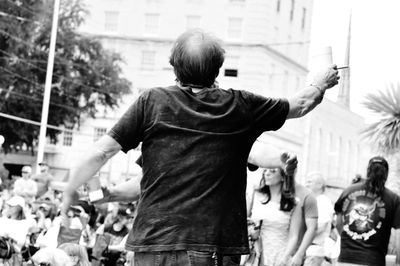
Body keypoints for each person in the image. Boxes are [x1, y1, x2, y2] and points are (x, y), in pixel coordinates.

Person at [62, 28, 340, 265]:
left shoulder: (151, 102)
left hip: (151, 246)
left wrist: (71, 188)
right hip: (208, 247)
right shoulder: (239, 107)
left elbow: (101, 152)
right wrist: (322, 81)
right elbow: (302, 104)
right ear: (217, 67)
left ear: (174, 66)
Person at [334, 156, 400, 266]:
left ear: (368, 171)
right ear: (386, 174)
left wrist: (350, 237)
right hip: (373, 260)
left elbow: (338, 223)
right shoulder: (393, 199)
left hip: (345, 259)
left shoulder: (348, 191)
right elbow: (398, 234)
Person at [304, 172, 335, 266]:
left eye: (310, 182)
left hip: (313, 252)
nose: (306, 184)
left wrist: (302, 238)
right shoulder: (311, 200)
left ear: (319, 185)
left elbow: (321, 227)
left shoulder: (323, 201)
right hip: (306, 249)